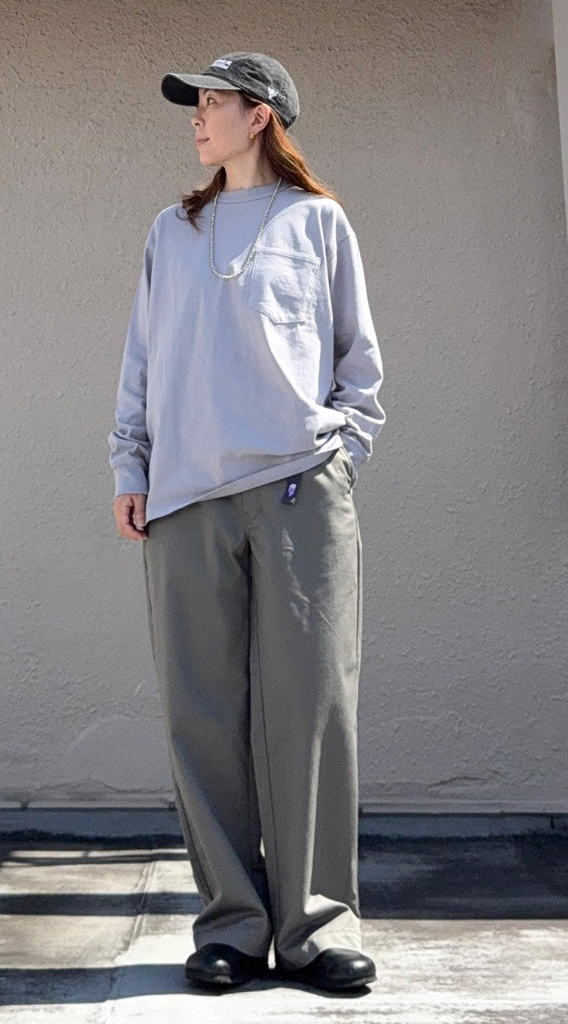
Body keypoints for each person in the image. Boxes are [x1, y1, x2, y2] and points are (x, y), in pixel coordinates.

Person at [109, 51, 384, 992]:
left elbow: (358, 363)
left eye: (212, 102)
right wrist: (131, 464)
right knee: (202, 714)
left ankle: (316, 925)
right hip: (186, 497)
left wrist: (341, 453)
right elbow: (142, 358)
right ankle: (231, 923)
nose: (195, 116)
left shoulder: (317, 221)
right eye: (193, 104)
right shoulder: (172, 230)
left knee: (312, 708)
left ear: (260, 115)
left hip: (302, 490)